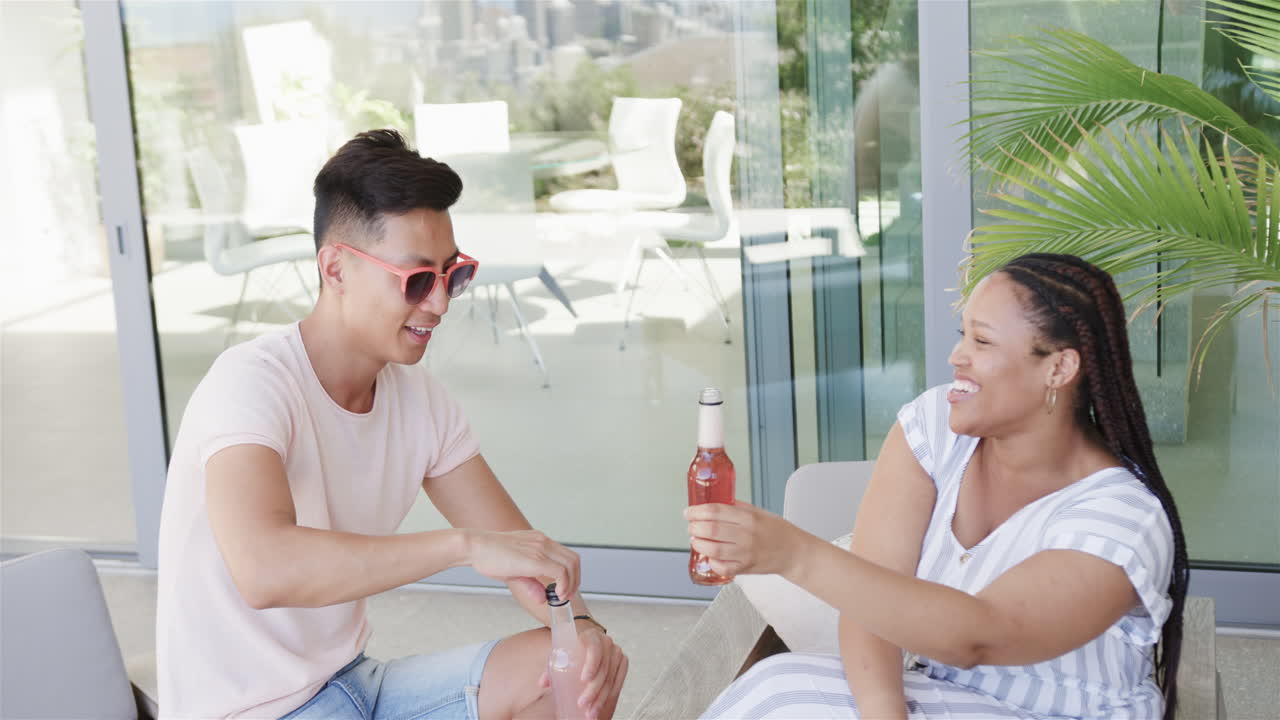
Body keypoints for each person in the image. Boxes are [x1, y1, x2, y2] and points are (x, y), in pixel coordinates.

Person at [156, 129, 627, 719]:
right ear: (336, 269)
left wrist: (582, 625)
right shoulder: (250, 384)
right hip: (254, 712)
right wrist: (462, 547)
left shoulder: (420, 402)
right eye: (416, 280)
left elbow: (521, 554)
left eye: (452, 274)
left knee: (574, 669)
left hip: (353, 683)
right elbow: (264, 569)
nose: (440, 304)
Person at [687, 253, 1188, 720]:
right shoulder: (935, 427)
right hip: (932, 698)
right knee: (779, 687)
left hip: (1055, 712)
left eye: (983, 342)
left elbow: (980, 635)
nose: (957, 356)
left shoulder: (1122, 522)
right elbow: (872, 599)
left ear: (1059, 367)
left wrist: (795, 554)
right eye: (962, 334)